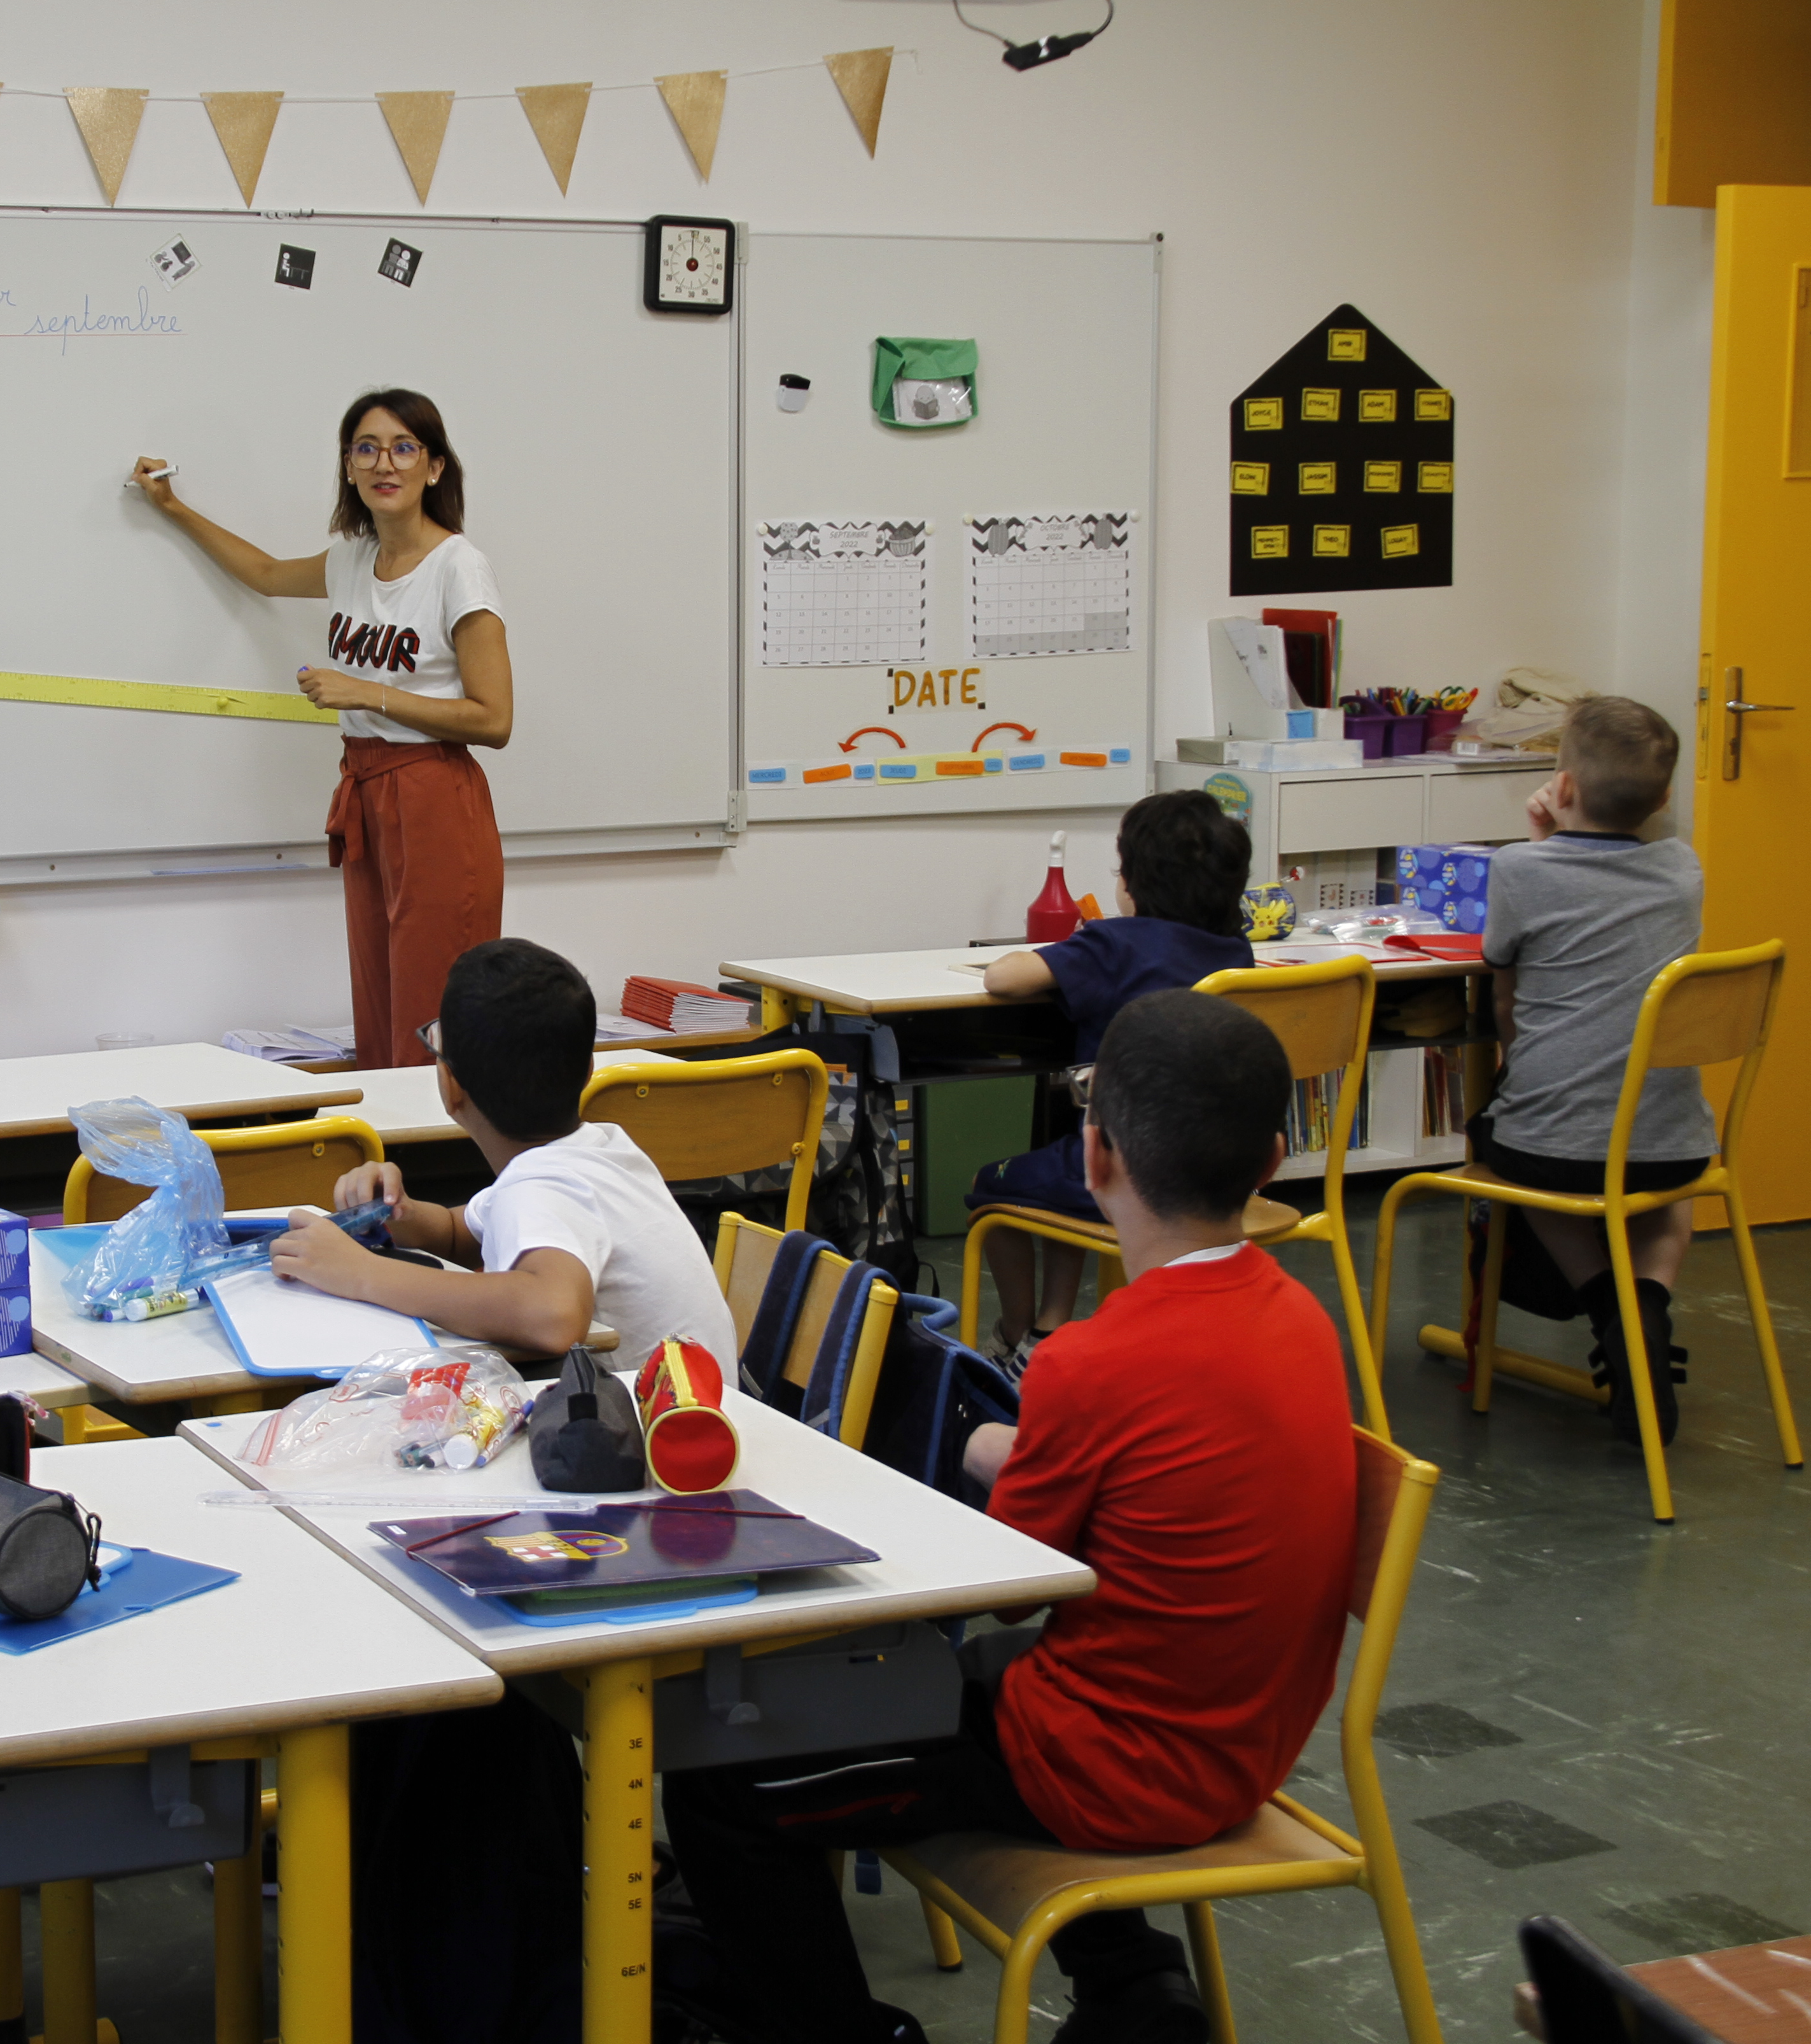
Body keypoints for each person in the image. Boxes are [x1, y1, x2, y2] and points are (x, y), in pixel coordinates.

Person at [662, 991, 1357, 2044]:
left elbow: (1000, 1583)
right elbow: (1133, 1490)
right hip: (1245, 1736)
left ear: (1094, 1157)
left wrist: (977, 1445)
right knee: (987, 1680)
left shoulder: (1091, 1361)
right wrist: (1012, 1447)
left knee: (722, 1780)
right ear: (1271, 1161)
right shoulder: (1301, 1322)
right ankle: (1134, 1988)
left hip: (1107, 1769)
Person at [132, 389, 512, 1068]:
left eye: (403, 448)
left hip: (434, 800)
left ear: (434, 468)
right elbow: (267, 574)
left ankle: (428, 1164)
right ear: (347, 466)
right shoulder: (351, 560)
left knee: (428, 1019)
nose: (382, 463)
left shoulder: (459, 566)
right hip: (365, 791)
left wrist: (369, 693)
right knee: (379, 1006)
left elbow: (495, 718)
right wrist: (174, 509)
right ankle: (387, 1167)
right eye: (365, 448)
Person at [272, 937, 734, 1366]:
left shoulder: (541, 1190)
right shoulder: (602, 1151)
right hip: (704, 1421)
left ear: (450, 1086)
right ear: (590, 1069)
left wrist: (361, 1273)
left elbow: (553, 1315)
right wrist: (399, 1213)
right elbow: (458, 1233)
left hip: (650, 1441)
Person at [1472, 695, 1705, 1444]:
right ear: (1665, 798)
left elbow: (1503, 985)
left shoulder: (1519, 869)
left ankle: (1612, 1311)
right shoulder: (1683, 869)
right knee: (1667, 1198)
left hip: (1555, 1145)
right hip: (1675, 1142)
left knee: (1516, 1162)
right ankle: (1649, 1306)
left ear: (1562, 787)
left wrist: (1537, 837)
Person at [968, 790, 1256, 1371]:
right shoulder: (1236, 953)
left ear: (1136, 881)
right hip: (1215, 1176)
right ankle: (1049, 1328)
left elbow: (1003, 978)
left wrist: (1065, 947)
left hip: (1119, 1169)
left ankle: (1016, 1332)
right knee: (1062, 1159)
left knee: (990, 1190)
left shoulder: (1115, 944)